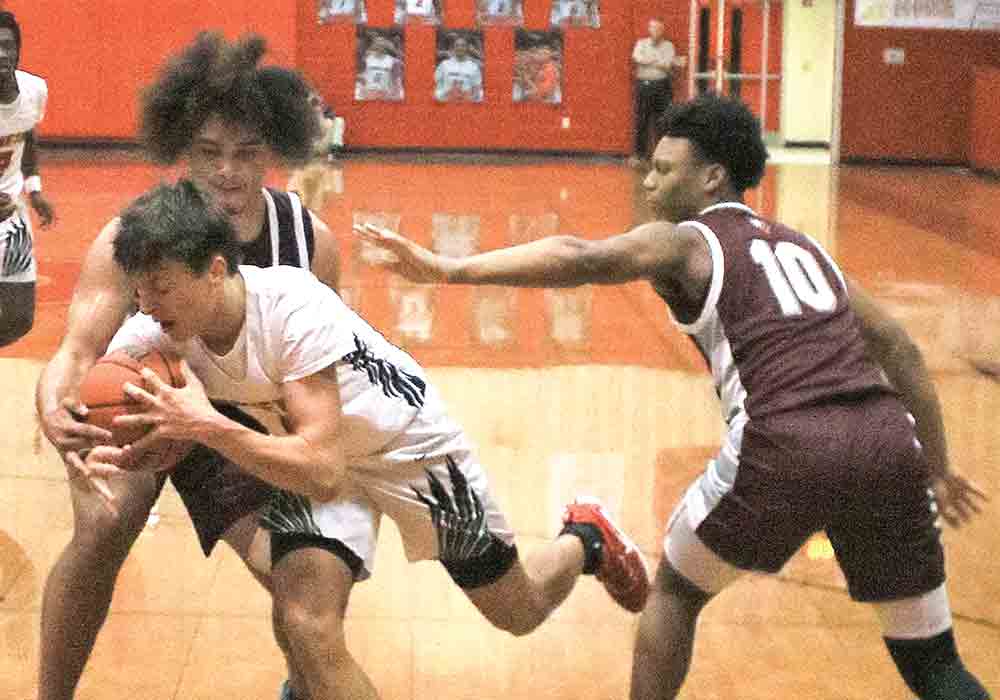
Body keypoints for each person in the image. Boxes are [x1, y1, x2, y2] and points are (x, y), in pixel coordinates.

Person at [355, 93, 993, 700]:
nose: (649, 182)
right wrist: (936, 466)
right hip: (887, 440)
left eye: (663, 169)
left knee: (676, 593)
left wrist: (449, 269)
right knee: (933, 662)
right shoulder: (808, 249)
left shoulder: (689, 239)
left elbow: (580, 256)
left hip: (785, 440)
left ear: (712, 178)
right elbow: (899, 348)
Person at [84, 178, 650, 700]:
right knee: (303, 621)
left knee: (516, 609)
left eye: (160, 288)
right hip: (317, 456)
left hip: (408, 448)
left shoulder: (291, 307)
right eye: (139, 291)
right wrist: (92, 441)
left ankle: (587, 538)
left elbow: (321, 468)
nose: (147, 307)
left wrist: (204, 424)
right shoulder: (156, 332)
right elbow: (97, 396)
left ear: (213, 270)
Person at [34, 33, 340, 700]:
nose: (227, 171)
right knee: (104, 525)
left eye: (245, 153)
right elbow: (76, 353)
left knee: (304, 575)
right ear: (182, 150)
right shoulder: (131, 236)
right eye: (208, 154)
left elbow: (321, 385)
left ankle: (306, 679)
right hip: (141, 402)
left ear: (272, 153)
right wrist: (57, 412)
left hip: (243, 421)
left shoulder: (308, 241)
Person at [0, 10, 55, 348]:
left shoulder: (35, 91)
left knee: (19, 320)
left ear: (18, 51)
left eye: (7, 46)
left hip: (11, 218)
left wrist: (34, 190)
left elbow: (27, 133)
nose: (1, 55)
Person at [630, 19, 685, 168]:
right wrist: (659, 62)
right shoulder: (641, 44)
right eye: (653, 28)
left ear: (663, 31)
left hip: (662, 86)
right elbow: (637, 58)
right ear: (649, 29)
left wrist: (651, 61)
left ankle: (661, 156)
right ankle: (639, 156)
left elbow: (667, 64)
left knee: (662, 122)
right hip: (644, 85)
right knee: (641, 121)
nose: (656, 31)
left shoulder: (669, 46)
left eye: (659, 29)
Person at [434, 36, 483, 102]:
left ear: (466, 48)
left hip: (467, 106)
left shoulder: (474, 67)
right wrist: (443, 95)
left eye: (463, 45)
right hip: (446, 105)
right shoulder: (444, 65)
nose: (460, 48)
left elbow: (478, 89)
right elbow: (435, 85)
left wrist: (472, 97)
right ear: (453, 48)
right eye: (457, 45)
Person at [355, 36, 404, 101]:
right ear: (374, 46)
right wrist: (361, 87)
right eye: (377, 44)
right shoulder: (366, 59)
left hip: (385, 93)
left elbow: (396, 79)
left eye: (381, 44)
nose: (379, 46)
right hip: (369, 92)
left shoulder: (393, 61)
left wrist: (396, 92)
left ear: (385, 47)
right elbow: (361, 76)